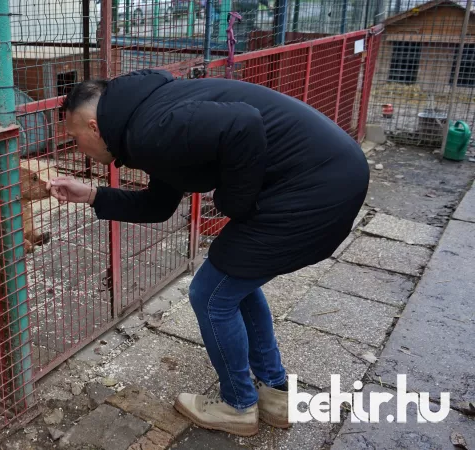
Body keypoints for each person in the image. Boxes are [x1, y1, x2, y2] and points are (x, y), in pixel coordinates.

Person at [47, 69, 369, 437]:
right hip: (327, 176)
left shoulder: (151, 128)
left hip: (314, 188)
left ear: (93, 128)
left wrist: (233, 200)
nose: (77, 148)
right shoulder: (146, 119)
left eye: (74, 139)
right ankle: (275, 393)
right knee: (234, 281)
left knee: (210, 294)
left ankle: (238, 405)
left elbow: (243, 123)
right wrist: (90, 194)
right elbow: (158, 205)